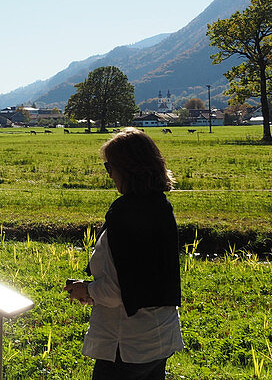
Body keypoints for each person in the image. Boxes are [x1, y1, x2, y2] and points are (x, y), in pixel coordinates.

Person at [65, 127, 184, 380]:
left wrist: (85, 290)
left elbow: (117, 290)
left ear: (128, 169)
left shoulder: (125, 213)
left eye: (110, 168)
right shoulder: (161, 205)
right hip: (161, 334)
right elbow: (144, 276)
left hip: (128, 343)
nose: (109, 175)